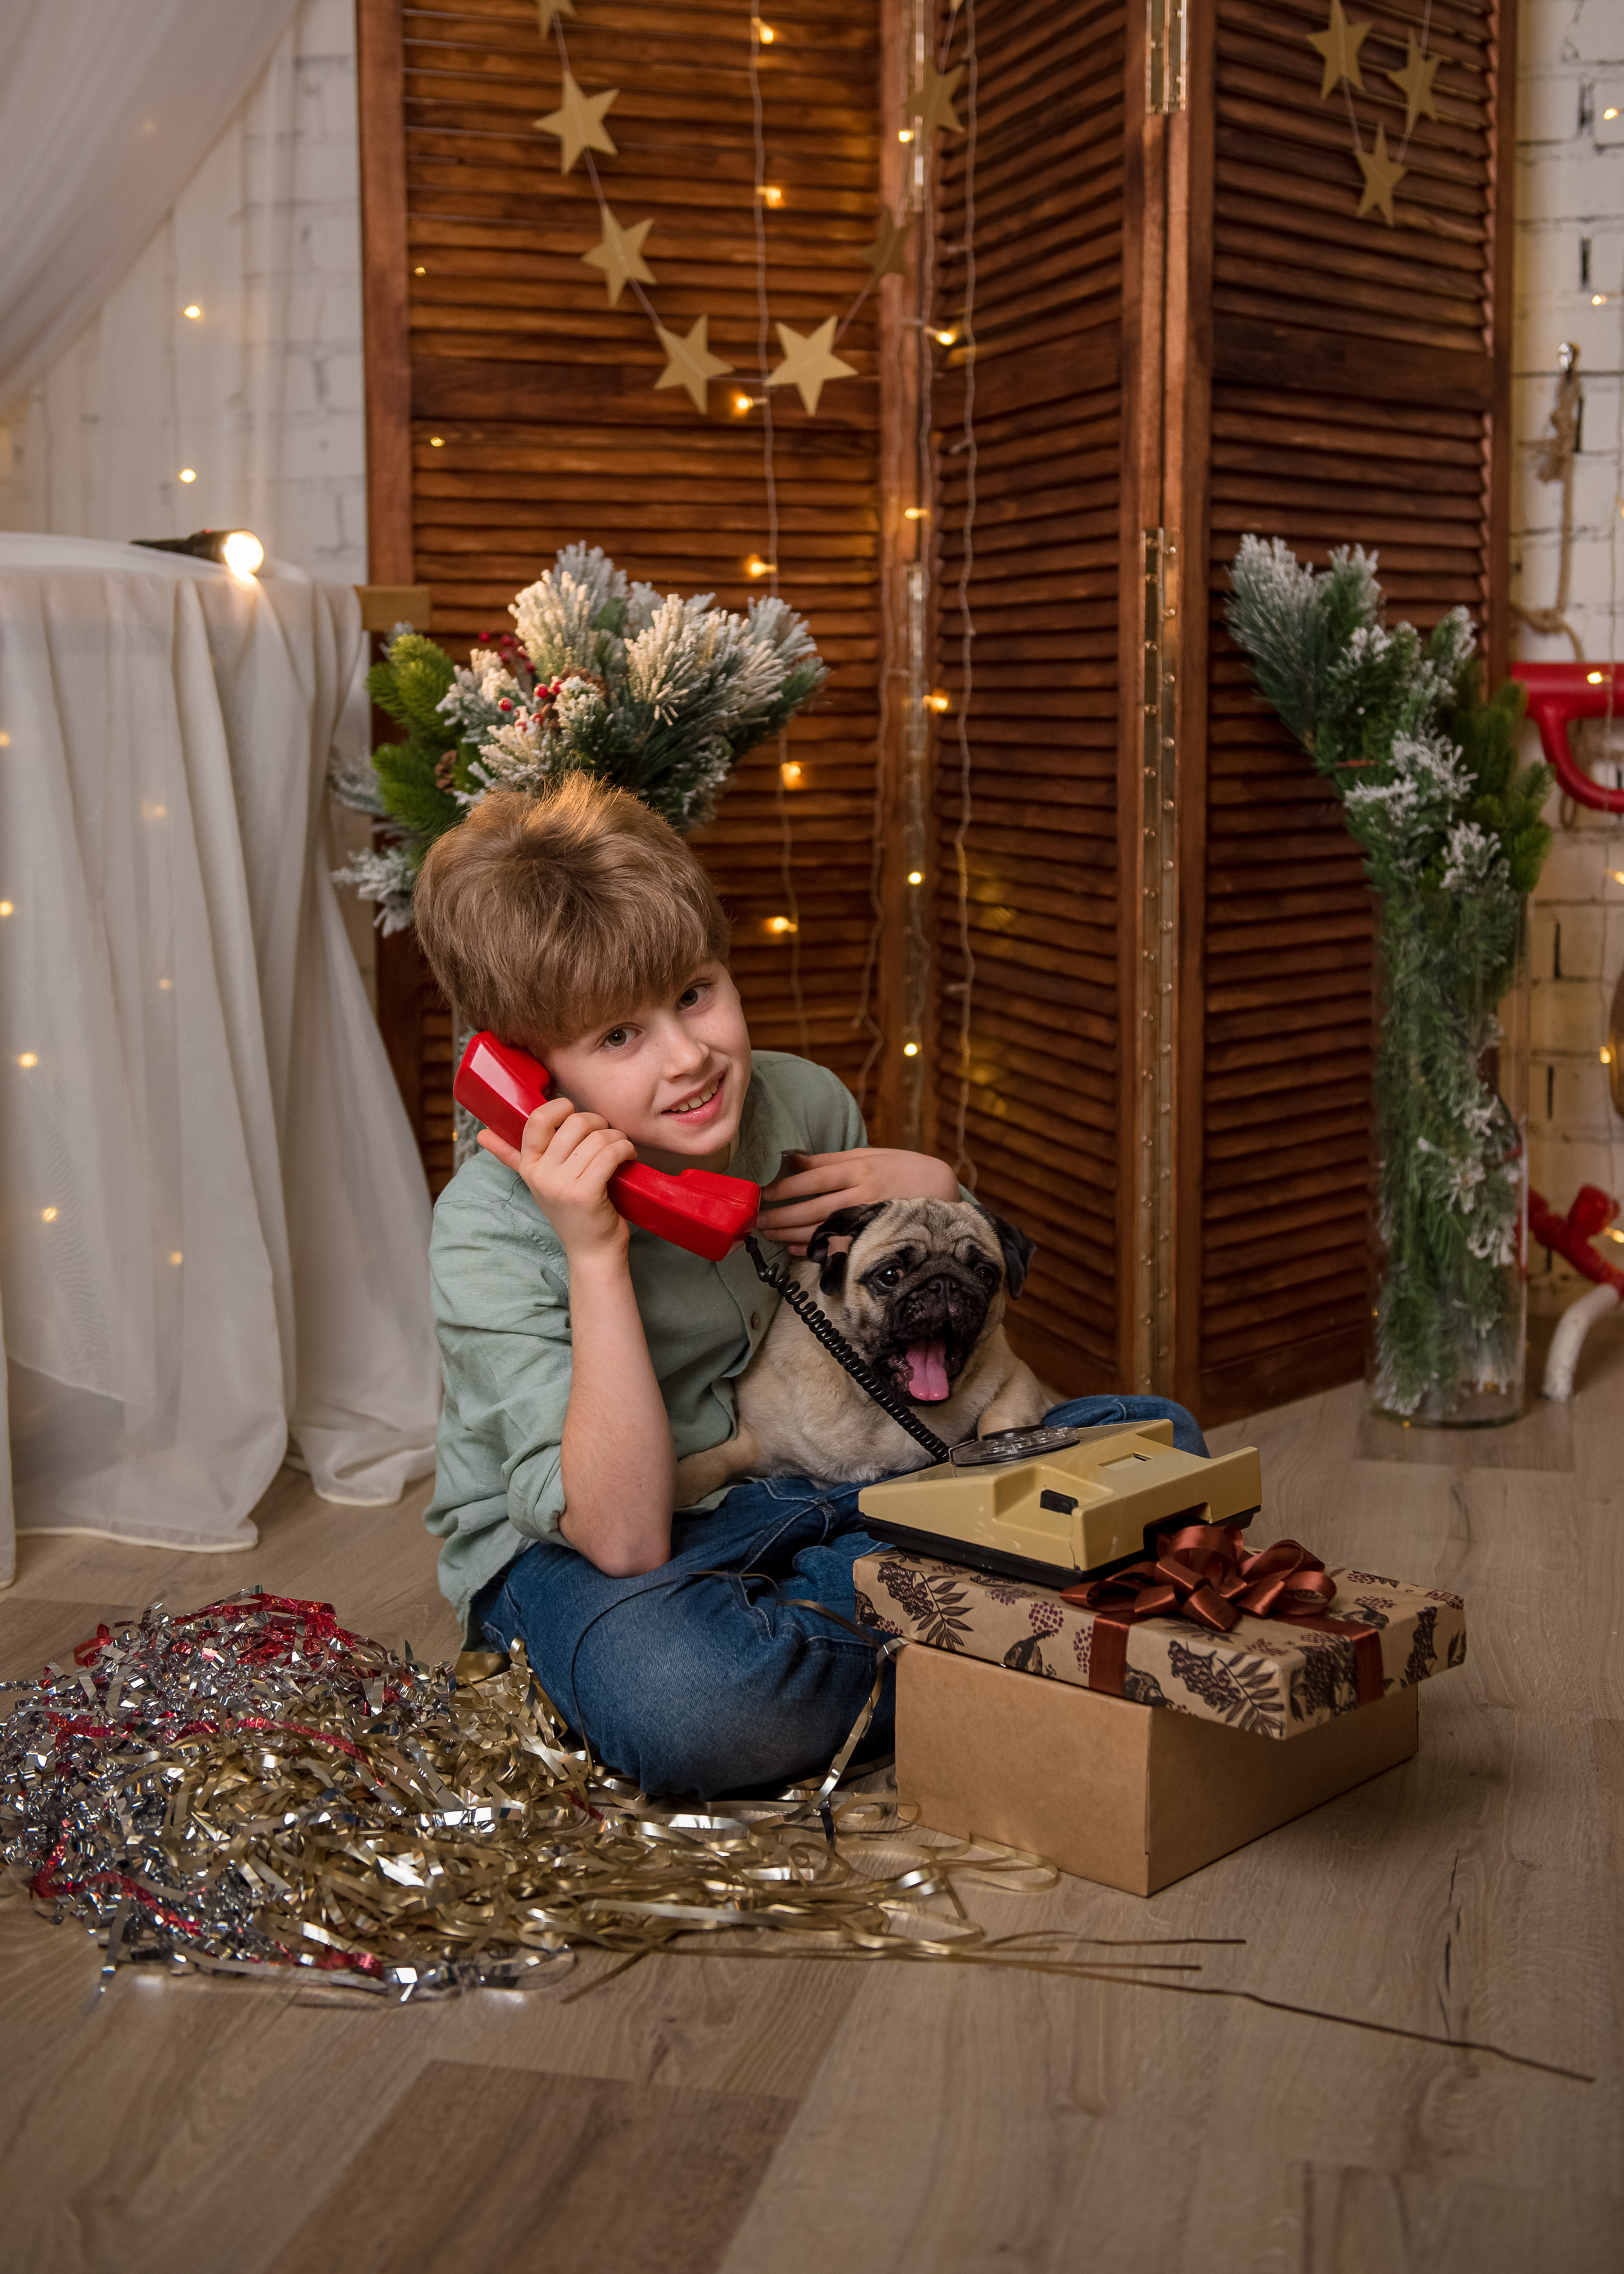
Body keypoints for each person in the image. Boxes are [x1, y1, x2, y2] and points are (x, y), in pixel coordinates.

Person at [414, 777, 1207, 1798]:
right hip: (609, 1549)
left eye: (696, 992)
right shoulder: (488, 1228)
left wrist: (935, 1187)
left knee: (1165, 1440)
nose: (690, 1057)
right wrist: (596, 1252)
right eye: (618, 1037)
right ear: (528, 1072)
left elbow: (894, 1323)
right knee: (696, 1704)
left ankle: (867, 1625)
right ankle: (980, 1628)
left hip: (835, 1480)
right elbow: (622, 1536)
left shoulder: (799, 1103)